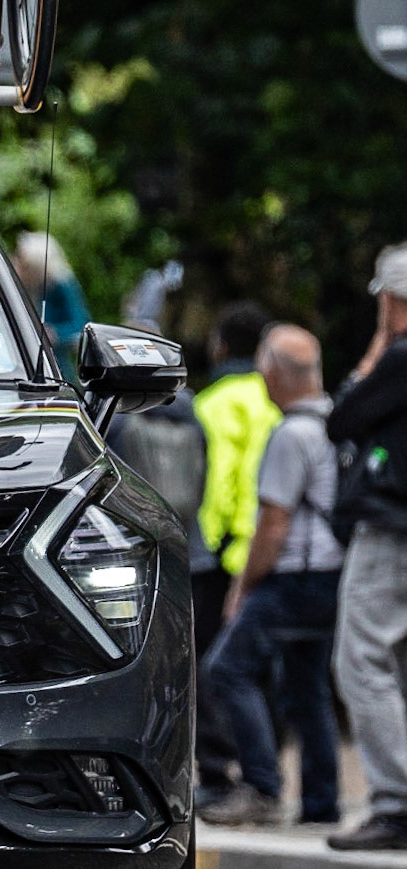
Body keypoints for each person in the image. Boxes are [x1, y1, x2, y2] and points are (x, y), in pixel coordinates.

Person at [201, 325, 344, 826]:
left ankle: (262, 787)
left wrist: (244, 586)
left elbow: (274, 524)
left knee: (226, 668)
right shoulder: (337, 424)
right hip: (332, 577)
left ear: (275, 373)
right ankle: (321, 804)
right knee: (308, 687)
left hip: (294, 579)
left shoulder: (290, 434)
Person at [325, 245, 407, 851]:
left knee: (360, 661)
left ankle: (396, 802)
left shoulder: (401, 357)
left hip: (391, 530)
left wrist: (382, 341)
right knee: (396, 665)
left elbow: (343, 416)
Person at [190, 301, 277, 804]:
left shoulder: (214, 402)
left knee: (212, 666)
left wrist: (213, 535)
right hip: (273, 549)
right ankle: (265, 769)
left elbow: (220, 477)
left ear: (221, 345)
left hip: (223, 555)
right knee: (261, 667)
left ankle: (220, 773)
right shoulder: (274, 396)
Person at [12, 232, 91, 380]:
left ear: (37, 266)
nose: (19, 269)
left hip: (56, 368)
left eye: (25, 266)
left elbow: (81, 326)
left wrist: (55, 333)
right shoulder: (23, 287)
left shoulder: (62, 286)